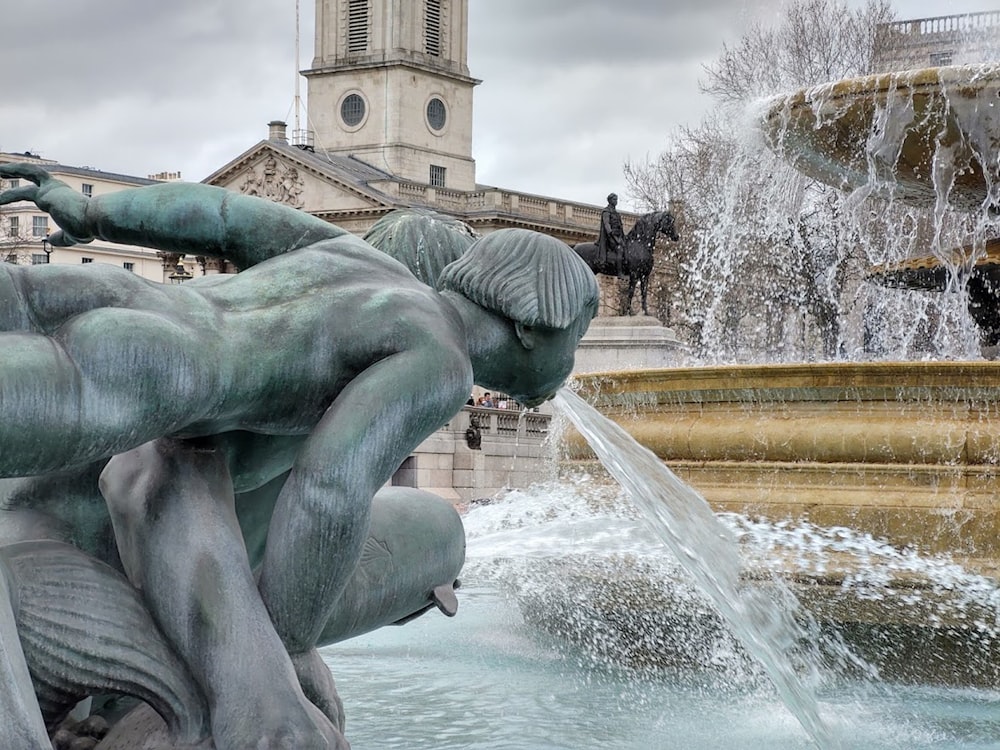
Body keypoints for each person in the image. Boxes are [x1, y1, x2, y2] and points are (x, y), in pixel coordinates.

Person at [0, 163, 598, 750]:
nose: (571, 363)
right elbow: (328, 491)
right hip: (141, 378)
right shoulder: (443, 359)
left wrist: (93, 212)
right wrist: (282, 646)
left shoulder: (362, 263)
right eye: (577, 338)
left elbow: (225, 216)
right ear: (532, 326)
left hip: (108, 300)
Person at [596, 192, 626, 278]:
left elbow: (620, 226)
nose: (616, 201)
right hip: (610, 237)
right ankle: (619, 273)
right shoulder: (606, 211)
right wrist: (611, 234)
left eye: (616, 199)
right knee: (619, 249)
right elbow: (606, 224)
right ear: (610, 201)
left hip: (618, 236)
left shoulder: (617, 213)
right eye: (614, 199)